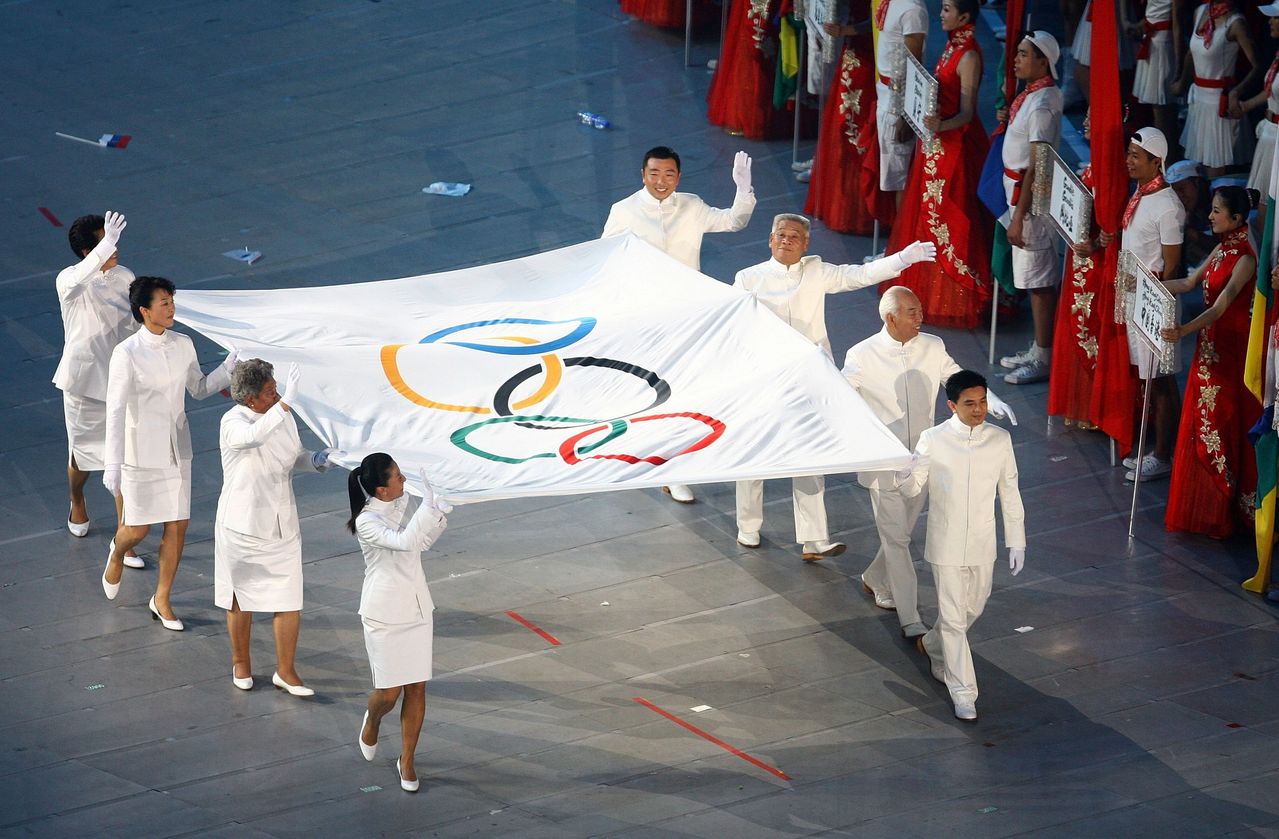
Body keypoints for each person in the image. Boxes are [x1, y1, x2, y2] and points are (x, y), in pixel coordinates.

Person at [734, 215, 936, 561]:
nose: (787, 240)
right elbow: (734, 325)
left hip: (811, 378)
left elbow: (859, 275)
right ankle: (748, 525)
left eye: (794, 236)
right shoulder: (747, 279)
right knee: (757, 451)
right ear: (770, 240)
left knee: (812, 455)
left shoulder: (816, 270)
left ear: (806, 243)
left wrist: (903, 257)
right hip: (764, 377)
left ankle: (813, 539)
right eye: (781, 235)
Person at [843, 288, 1017, 640]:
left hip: (923, 460)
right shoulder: (862, 354)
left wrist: (992, 398)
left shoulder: (932, 346)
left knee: (901, 533)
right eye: (911, 312)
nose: (919, 317)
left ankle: (874, 578)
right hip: (885, 462)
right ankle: (909, 618)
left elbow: (957, 378)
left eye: (919, 309)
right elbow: (841, 392)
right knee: (898, 541)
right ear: (890, 318)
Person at [603, 145, 755, 503]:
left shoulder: (692, 205)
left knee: (685, 389)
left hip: (690, 314)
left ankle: (676, 468)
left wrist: (743, 190)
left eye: (669, 174)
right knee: (653, 391)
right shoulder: (623, 211)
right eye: (654, 174)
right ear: (643, 175)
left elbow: (735, 221)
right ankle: (653, 461)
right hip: (647, 316)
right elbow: (606, 259)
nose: (661, 181)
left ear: (679, 177)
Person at [101, 276, 238, 629]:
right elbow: (115, 410)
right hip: (139, 452)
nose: (171, 307)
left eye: (172, 300)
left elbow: (199, 388)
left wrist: (228, 368)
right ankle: (117, 550)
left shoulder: (184, 344)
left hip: (178, 448)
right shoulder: (126, 353)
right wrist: (112, 464)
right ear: (145, 311)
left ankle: (162, 598)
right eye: (164, 302)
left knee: (177, 525)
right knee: (138, 530)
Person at [898, 370, 1026, 722]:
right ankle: (964, 692)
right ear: (952, 405)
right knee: (954, 619)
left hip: (983, 543)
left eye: (983, 401)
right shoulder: (932, 439)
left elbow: (1010, 492)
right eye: (970, 403)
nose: (979, 409)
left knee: (972, 610)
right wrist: (904, 475)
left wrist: (1016, 541)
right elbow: (913, 489)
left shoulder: (999, 440)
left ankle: (933, 646)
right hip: (946, 542)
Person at [215, 360, 341, 694]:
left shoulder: (281, 418)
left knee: (288, 599)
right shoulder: (233, 421)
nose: (278, 394)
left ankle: (285, 671)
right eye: (271, 391)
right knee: (241, 598)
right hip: (242, 526)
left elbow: (293, 455)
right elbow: (253, 438)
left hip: (282, 523)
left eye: (277, 389)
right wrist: (285, 406)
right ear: (252, 399)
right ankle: (241, 661)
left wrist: (317, 460)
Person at [883, 0, 994, 330]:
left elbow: (967, 113)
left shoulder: (969, 55)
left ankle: (954, 297)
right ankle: (925, 291)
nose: (941, 14)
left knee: (947, 218)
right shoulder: (951, 46)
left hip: (955, 149)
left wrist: (936, 127)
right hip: (936, 144)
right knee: (926, 216)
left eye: (946, 9)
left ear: (964, 16)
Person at [1161, 186, 1260, 537]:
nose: (1210, 215)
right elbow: (1189, 282)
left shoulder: (1246, 259)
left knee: (1222, 425)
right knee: (1204, 422)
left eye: (1217, 211)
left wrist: (1184, 330)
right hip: (1210, 348)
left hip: (1231, 354)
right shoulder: (1221, 249)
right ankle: (1203, 509)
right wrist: (1149, 282)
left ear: (1236, 218)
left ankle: (1223, 510)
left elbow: (1220, 307)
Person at [350, 453, 451, 793]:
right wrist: (427, 507)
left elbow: (419, 543)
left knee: (417, 687)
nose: (403, 480)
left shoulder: (401, 501)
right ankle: (374, 718)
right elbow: (404, 540)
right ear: (382, 489)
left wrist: (437, 512)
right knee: (389, 694)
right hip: (385, 613)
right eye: (398, 477)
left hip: (417, 608)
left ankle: (407, 759)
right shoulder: (366, 522)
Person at [53, 212, 145, 568]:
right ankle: (77, 500)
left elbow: (136, 322)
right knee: (81, 456)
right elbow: (80, 275)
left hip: (119, 379)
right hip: (81, 382)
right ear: (89, 249)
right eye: (107, 241)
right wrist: (104, 245)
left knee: (123, 457)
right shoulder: (68, 281)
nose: (116, 246)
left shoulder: (124, 276)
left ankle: (126, 539)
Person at [1101, 128, 1185, 481]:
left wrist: (1151, 300)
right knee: (1146, 377)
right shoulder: (1140, 194)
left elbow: (1172, 265)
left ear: (1157, 161)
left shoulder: (1168, 207)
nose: (1129, 161)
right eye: (1129, 154)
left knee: (1161, 380)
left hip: (1154, 300)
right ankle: (1155, 449)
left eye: (1136, 156)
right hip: (1134, 295)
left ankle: (1164, 455)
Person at [999, 31, 1065, 386]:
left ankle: (1044, 356)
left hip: (1031, 202)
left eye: (1024, 54)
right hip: (1019, 192)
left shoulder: (1041, 107)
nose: (1016, 59)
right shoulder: (1033, 95)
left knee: (1039, 280)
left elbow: (1037, 165)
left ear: (1043, 62)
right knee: (1033, 276)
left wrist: (1020, 215)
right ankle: (1040, 348)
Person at [1047, 112, 1104, 428]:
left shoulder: (1110, 173)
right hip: (1079, 260)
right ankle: (1079, 404)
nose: (1085, 123)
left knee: (1088, 328)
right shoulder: (1093, 165)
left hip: (1093, 265)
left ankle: (1094, 407)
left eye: (1090, 120)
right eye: (1083, 118)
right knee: (1074, 325)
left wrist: (1097, 243)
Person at [1172, 1, 1259, 178]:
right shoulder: (1201, 11)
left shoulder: (1235, 23)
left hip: (1218, 106)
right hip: (1198, 100)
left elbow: (1258, 67)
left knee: (1214, 171)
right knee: (1196, 167)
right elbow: (1192, 52)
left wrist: (1237, 92)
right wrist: (1182, 80)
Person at [872, 0, 928, 209]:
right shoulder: (892, 3)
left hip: (897, 101)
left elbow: (914, 67)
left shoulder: (913, 10)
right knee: (891, 173)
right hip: (884, 93)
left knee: (900, 177)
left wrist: (906, 115)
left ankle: (901, 237)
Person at [1240, 7, 1279, 232]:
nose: (1270, 22)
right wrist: (1246, 106)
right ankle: (1265, 264)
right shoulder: (1277, 55)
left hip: (1277, 138)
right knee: (1263, 204)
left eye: (1276, 17)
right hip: (1269, 134)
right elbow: (1271, 90)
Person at [1131, 0, 1178, 142]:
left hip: (1163, 46)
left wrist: (1179, 67)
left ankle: (1168, 158)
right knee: (1156, 108)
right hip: (1151, 41)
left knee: (1162, 110)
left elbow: (1177, 26)